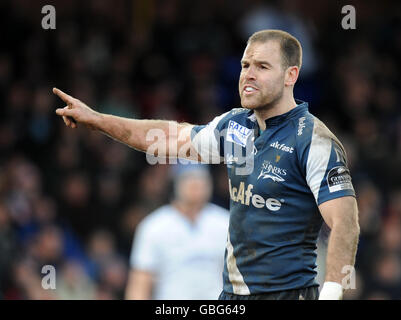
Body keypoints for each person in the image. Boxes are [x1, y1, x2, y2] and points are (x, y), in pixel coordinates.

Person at [53, 29, 360, 300]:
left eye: (262, 66)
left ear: (291, 75)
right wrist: (99, 120)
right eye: (245, 65)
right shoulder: (235, 126)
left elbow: (345, 222)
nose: (248, 74)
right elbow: (168, 138)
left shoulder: (313, 140)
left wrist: (331, 292)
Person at [125, 164, 229, 300]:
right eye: (190, 179)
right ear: (177, 183)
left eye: (201, 179)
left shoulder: (225, 222)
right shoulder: (154, 226)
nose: (196, 185)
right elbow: (139, 285)